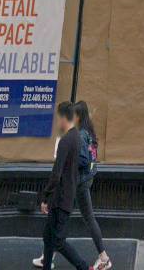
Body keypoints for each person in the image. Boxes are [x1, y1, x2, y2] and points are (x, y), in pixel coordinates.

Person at [37, 102, 110, 270]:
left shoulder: (78, 135)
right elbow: (91, 159)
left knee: (65, 229)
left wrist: (68, 161)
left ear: (76, 116)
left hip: (77, 183)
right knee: (56, 230)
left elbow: (81, 161)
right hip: (84, 180)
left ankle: (101, 258)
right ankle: (47, 257)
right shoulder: (87, 133)